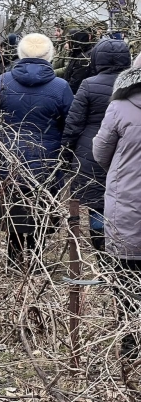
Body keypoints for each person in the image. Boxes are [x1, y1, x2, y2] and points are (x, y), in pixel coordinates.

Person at [0, 33, 73, 270]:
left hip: (9, 156)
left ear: (20, 53)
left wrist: (1, 137)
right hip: (46, 158)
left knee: (14, 206)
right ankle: (37, 259)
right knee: (42, 208)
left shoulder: (3, 81)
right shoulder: (60, 87)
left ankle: (13, 259)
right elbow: (71, 123)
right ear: (49, 55)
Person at [62, 38, 131, 251]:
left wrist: (65, 153)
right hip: (127, 151)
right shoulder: (134, 85)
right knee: (128, 202)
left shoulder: (89, 84)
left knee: (97, 205)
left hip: (91, 152)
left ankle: (102, 250)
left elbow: (74, 122)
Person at [93, 58, 141, 358]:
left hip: (128, 201)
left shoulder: (120, 107)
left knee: (126, 275)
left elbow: (100, 151)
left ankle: (129, 341)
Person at [63, 27, 95, 96]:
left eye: (68, 43)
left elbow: (74, 86)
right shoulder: (77, 55)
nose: (65, 46)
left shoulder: (83, 60)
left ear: (76, 42)